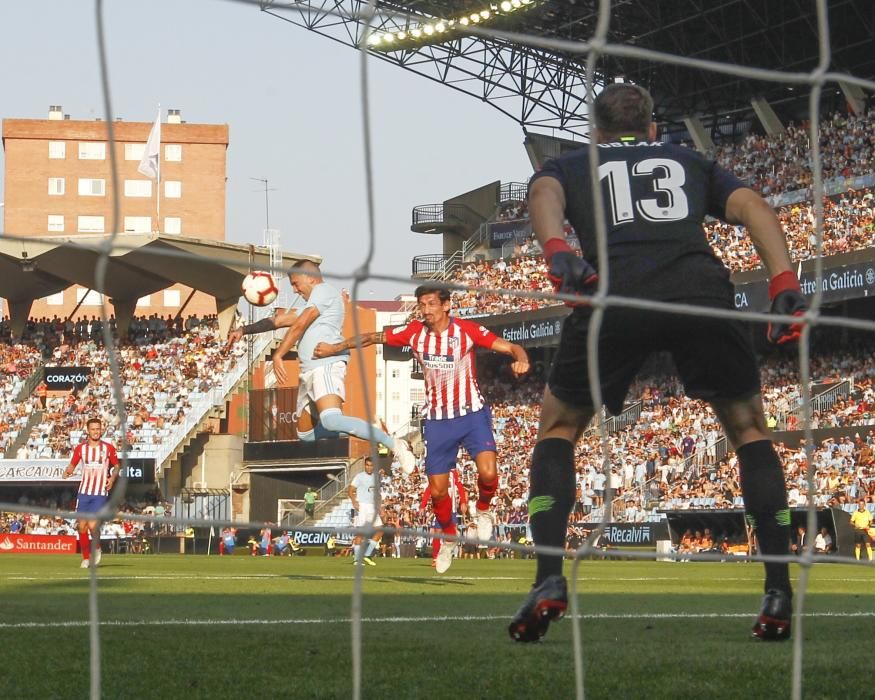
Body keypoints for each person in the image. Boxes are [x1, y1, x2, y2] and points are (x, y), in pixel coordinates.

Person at [509, 83, 807, 643]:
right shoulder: (689, 159)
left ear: (595, 131)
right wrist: (784, 282)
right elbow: (754, 208)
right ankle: (777, 592)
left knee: (558, 427)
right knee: (747, 429)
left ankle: (548, 577)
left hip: (614, 294)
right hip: (699, 288)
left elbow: (543, 196)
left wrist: (558, 251)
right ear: (652, 129)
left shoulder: (573, 162)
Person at [314, 285, 530, 573]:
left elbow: (508, 345)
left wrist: (522, 357)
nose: (426, 310)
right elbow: (370, 337)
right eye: (422, 305)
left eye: (431, 304)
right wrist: (334, 347)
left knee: (489, 472)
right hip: (438, 421)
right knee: (439, 492)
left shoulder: (466, 331)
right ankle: (449, 537)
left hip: (472, 414)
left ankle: (483, 510)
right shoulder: (414, 332)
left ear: (446, 305)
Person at [227, 261, 414, 472]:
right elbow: (279, 321)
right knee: (305, 435)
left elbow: (301, 323)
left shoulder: (324, 291)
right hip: (309, 372)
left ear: (311, 278)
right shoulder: (315, 304)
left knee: (331, 420)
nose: (295, 290)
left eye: (296, 284)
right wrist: (244, 330)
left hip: (325, 366)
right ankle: (362, 430)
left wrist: (279, 353)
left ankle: (393, 444)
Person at [62, 417, 120, 569]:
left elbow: (116, 466)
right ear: (88, 431)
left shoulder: (108, 448)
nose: (95, 431)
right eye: (93, 429)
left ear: (101, 430)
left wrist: (112, 478)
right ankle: (86, 558)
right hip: (84, 492)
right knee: (82, 526)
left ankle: (97, 547)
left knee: (93, 525)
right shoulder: (81, 448)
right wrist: (68, 471)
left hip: (100, 492)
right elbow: (72, 464)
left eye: (98, 429)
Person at [419, 468, 468, 567]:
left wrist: (463, 501)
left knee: (452, 534)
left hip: (452, 509)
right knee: (437, 533)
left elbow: (460, 487)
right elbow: (429, 488)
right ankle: (435, 558)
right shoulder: (437, 473)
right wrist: (422, 505)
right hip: (441, 508)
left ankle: (446, 554)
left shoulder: (453, 473)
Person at [348, 457, 383, 566]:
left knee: (380, 530)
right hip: (363, 506)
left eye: (371, 465)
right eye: (367, 465)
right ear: (365, 465)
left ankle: (367, 554)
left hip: (372, 506)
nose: (369, 467)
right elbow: (350, 490)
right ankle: (357, 559)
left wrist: (380, 506)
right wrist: (354, 501)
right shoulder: (359, 477)